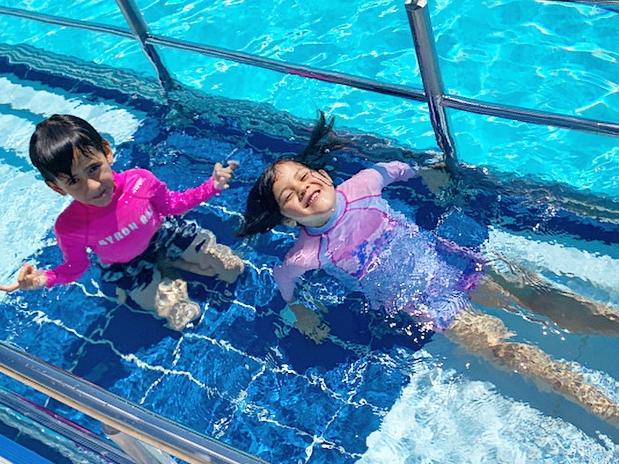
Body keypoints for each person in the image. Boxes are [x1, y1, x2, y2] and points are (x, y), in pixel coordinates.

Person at [238, 112, 619, 427]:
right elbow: (283, 279)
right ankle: (604, 407)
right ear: (286, 220)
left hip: (450, 263)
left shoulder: (363, 185)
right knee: (507, 350)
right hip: (424, 304)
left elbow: (395, 169)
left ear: (322, 174)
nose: (303, 187)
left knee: (537, 298)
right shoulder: (308, 254)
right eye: (289, 194)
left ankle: (611, 321)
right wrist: (299, 312)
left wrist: (428, 174)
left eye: (304, 175)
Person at [0, 114, 244, 330]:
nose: (92, 186)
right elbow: (76, 267)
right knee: (183, 315)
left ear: (107, 152)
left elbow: (173, 205)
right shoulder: (69, 227)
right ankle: (171, 271)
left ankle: (174, 265)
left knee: (232, 268)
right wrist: (41, 279)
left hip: (163, 234)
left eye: (93, 168)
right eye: (74, 181)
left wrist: (210, 187)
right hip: (126, 265)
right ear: (56, 187)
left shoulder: (140, 181)